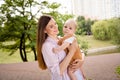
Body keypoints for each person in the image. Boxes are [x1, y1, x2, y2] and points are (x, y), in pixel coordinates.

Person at [36, 15, 82, 80]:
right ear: (45, 30)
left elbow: (79, 51)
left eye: (55, 23)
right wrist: (71, 52)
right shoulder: (47, 46)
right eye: (51, 26)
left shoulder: (61, 39)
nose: (55, 27)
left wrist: (81, 60)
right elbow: (57, 73)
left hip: (76, 75)